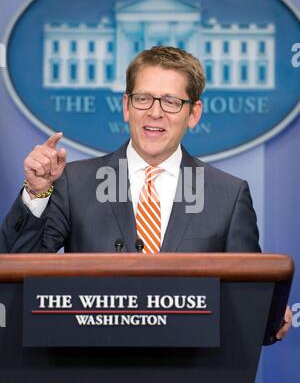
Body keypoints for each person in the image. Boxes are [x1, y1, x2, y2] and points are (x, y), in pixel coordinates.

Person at [0, 46, 291, 339]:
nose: (155, 112)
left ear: (193, 113)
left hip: (189, 373)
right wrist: (37, 193)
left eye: (171, 102)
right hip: (92, 365)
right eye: (143, 99)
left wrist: (270, 313)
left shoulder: (228, 195)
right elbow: (16, 278)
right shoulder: (75, 182)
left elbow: (250, 307)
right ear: (127, 106)